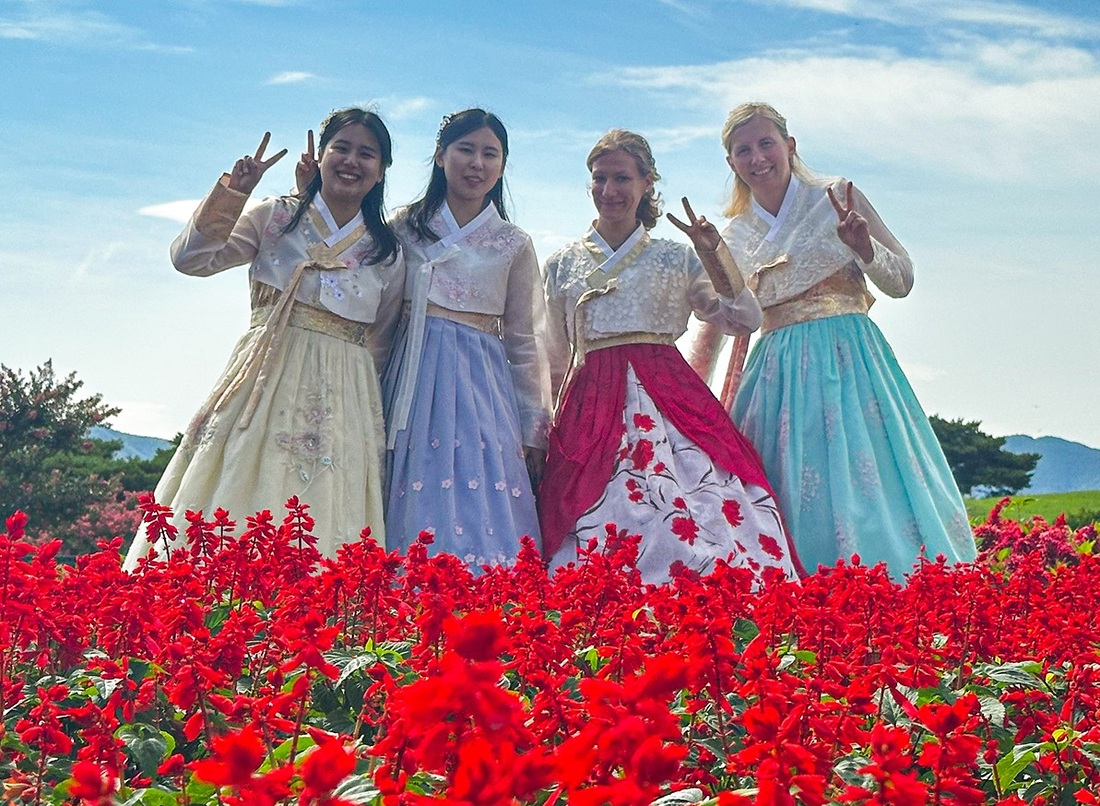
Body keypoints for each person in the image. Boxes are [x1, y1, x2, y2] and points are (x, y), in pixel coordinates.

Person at [124, 107, 404, 571]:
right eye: (342, 148)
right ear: (322, 155)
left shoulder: (387, 249)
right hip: (263, 374)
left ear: (381, 172)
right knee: (239, 480)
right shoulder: (277, 217)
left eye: (367, 154)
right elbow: (191, 260)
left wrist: (366, 417)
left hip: (344, 397)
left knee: (324, 503)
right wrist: (234, 193)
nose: (351, 161)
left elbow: (381, 341)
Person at [718, 101, 975, 577]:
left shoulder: (836, 195)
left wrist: (863, 248)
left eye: (766, 143)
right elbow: (740, 320)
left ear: (790, 146)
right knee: (786, 481)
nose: (758, 158)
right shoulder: (734, 233)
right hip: (774, 371)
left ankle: (891, 587)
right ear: (731, 163)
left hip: (849, 356)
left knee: (869, 473)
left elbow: (901, 280)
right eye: (743, 150)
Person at [540, 129, 804, 585]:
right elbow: (555, 357)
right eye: (599, 179)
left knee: (700, 507)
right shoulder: (562, 264)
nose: (609, 191)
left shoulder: (676, 258)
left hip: (669, 395)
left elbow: (743, 318)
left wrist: (714, 253)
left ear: (647, 184)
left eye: (622, 178)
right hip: (591, 403)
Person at [381, 108, 551, 567]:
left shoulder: (512, 242)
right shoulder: (402, 228)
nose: (477, 163)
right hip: (413, 373)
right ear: (440, 157)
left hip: (482, 381)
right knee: (415, 477)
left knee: (481, 482)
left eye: (490, 154)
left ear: (501, 165)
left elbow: (524, 337)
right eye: (466, 150)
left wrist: (534, 423)